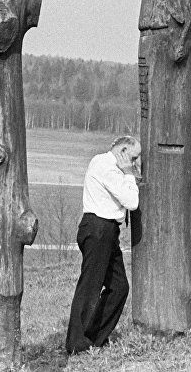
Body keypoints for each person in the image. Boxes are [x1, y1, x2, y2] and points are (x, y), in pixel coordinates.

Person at [66, 136, 141, 354]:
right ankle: (76, 343)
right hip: (98, 228)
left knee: (119, 287)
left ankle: (94, 338)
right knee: (90, 286)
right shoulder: (104, 165)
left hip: (107, 232)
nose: (135, 163)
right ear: (124, 150)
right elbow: (131, 202)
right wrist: (129, 174)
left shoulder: (112, 168)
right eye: (134, 157)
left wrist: (128, 172)